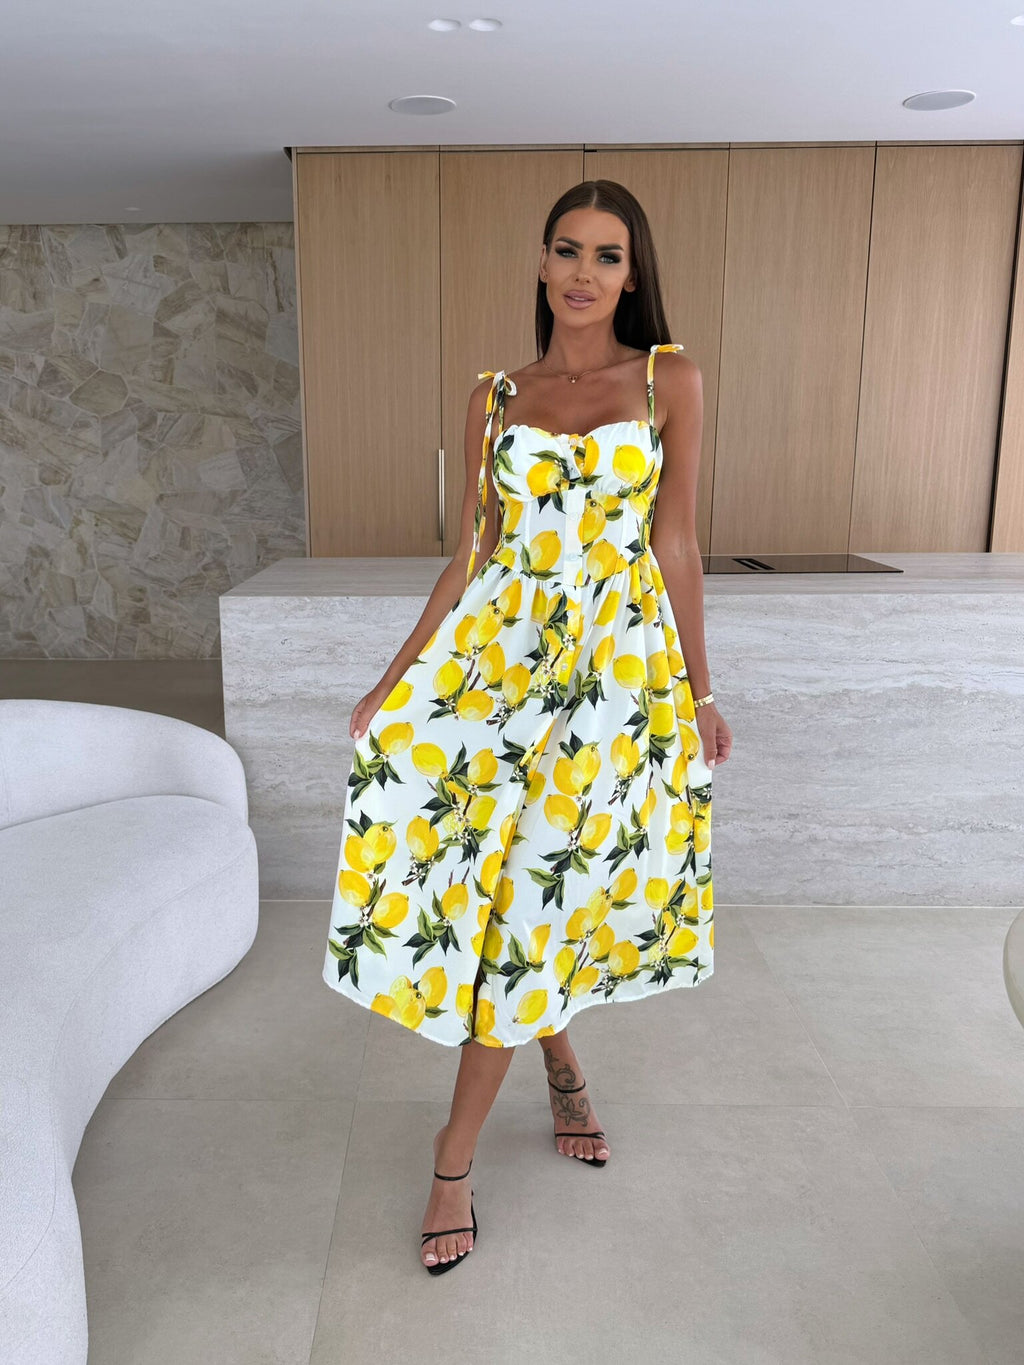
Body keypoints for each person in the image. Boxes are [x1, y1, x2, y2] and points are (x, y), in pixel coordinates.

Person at [322, 179, 733, 1274]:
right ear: (542, 264)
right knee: (502, 888)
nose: (584, 273)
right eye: (567, 250)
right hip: (499, 663)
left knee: (539, 879)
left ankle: (451, 1162)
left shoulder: (669, 378)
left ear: (631, 274)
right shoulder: (494, 393)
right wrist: (394, 678)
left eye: (607, 256)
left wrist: (696, 690)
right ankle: (559, 1068)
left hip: (612, 679)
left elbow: (677, 544)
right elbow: (471, 553)